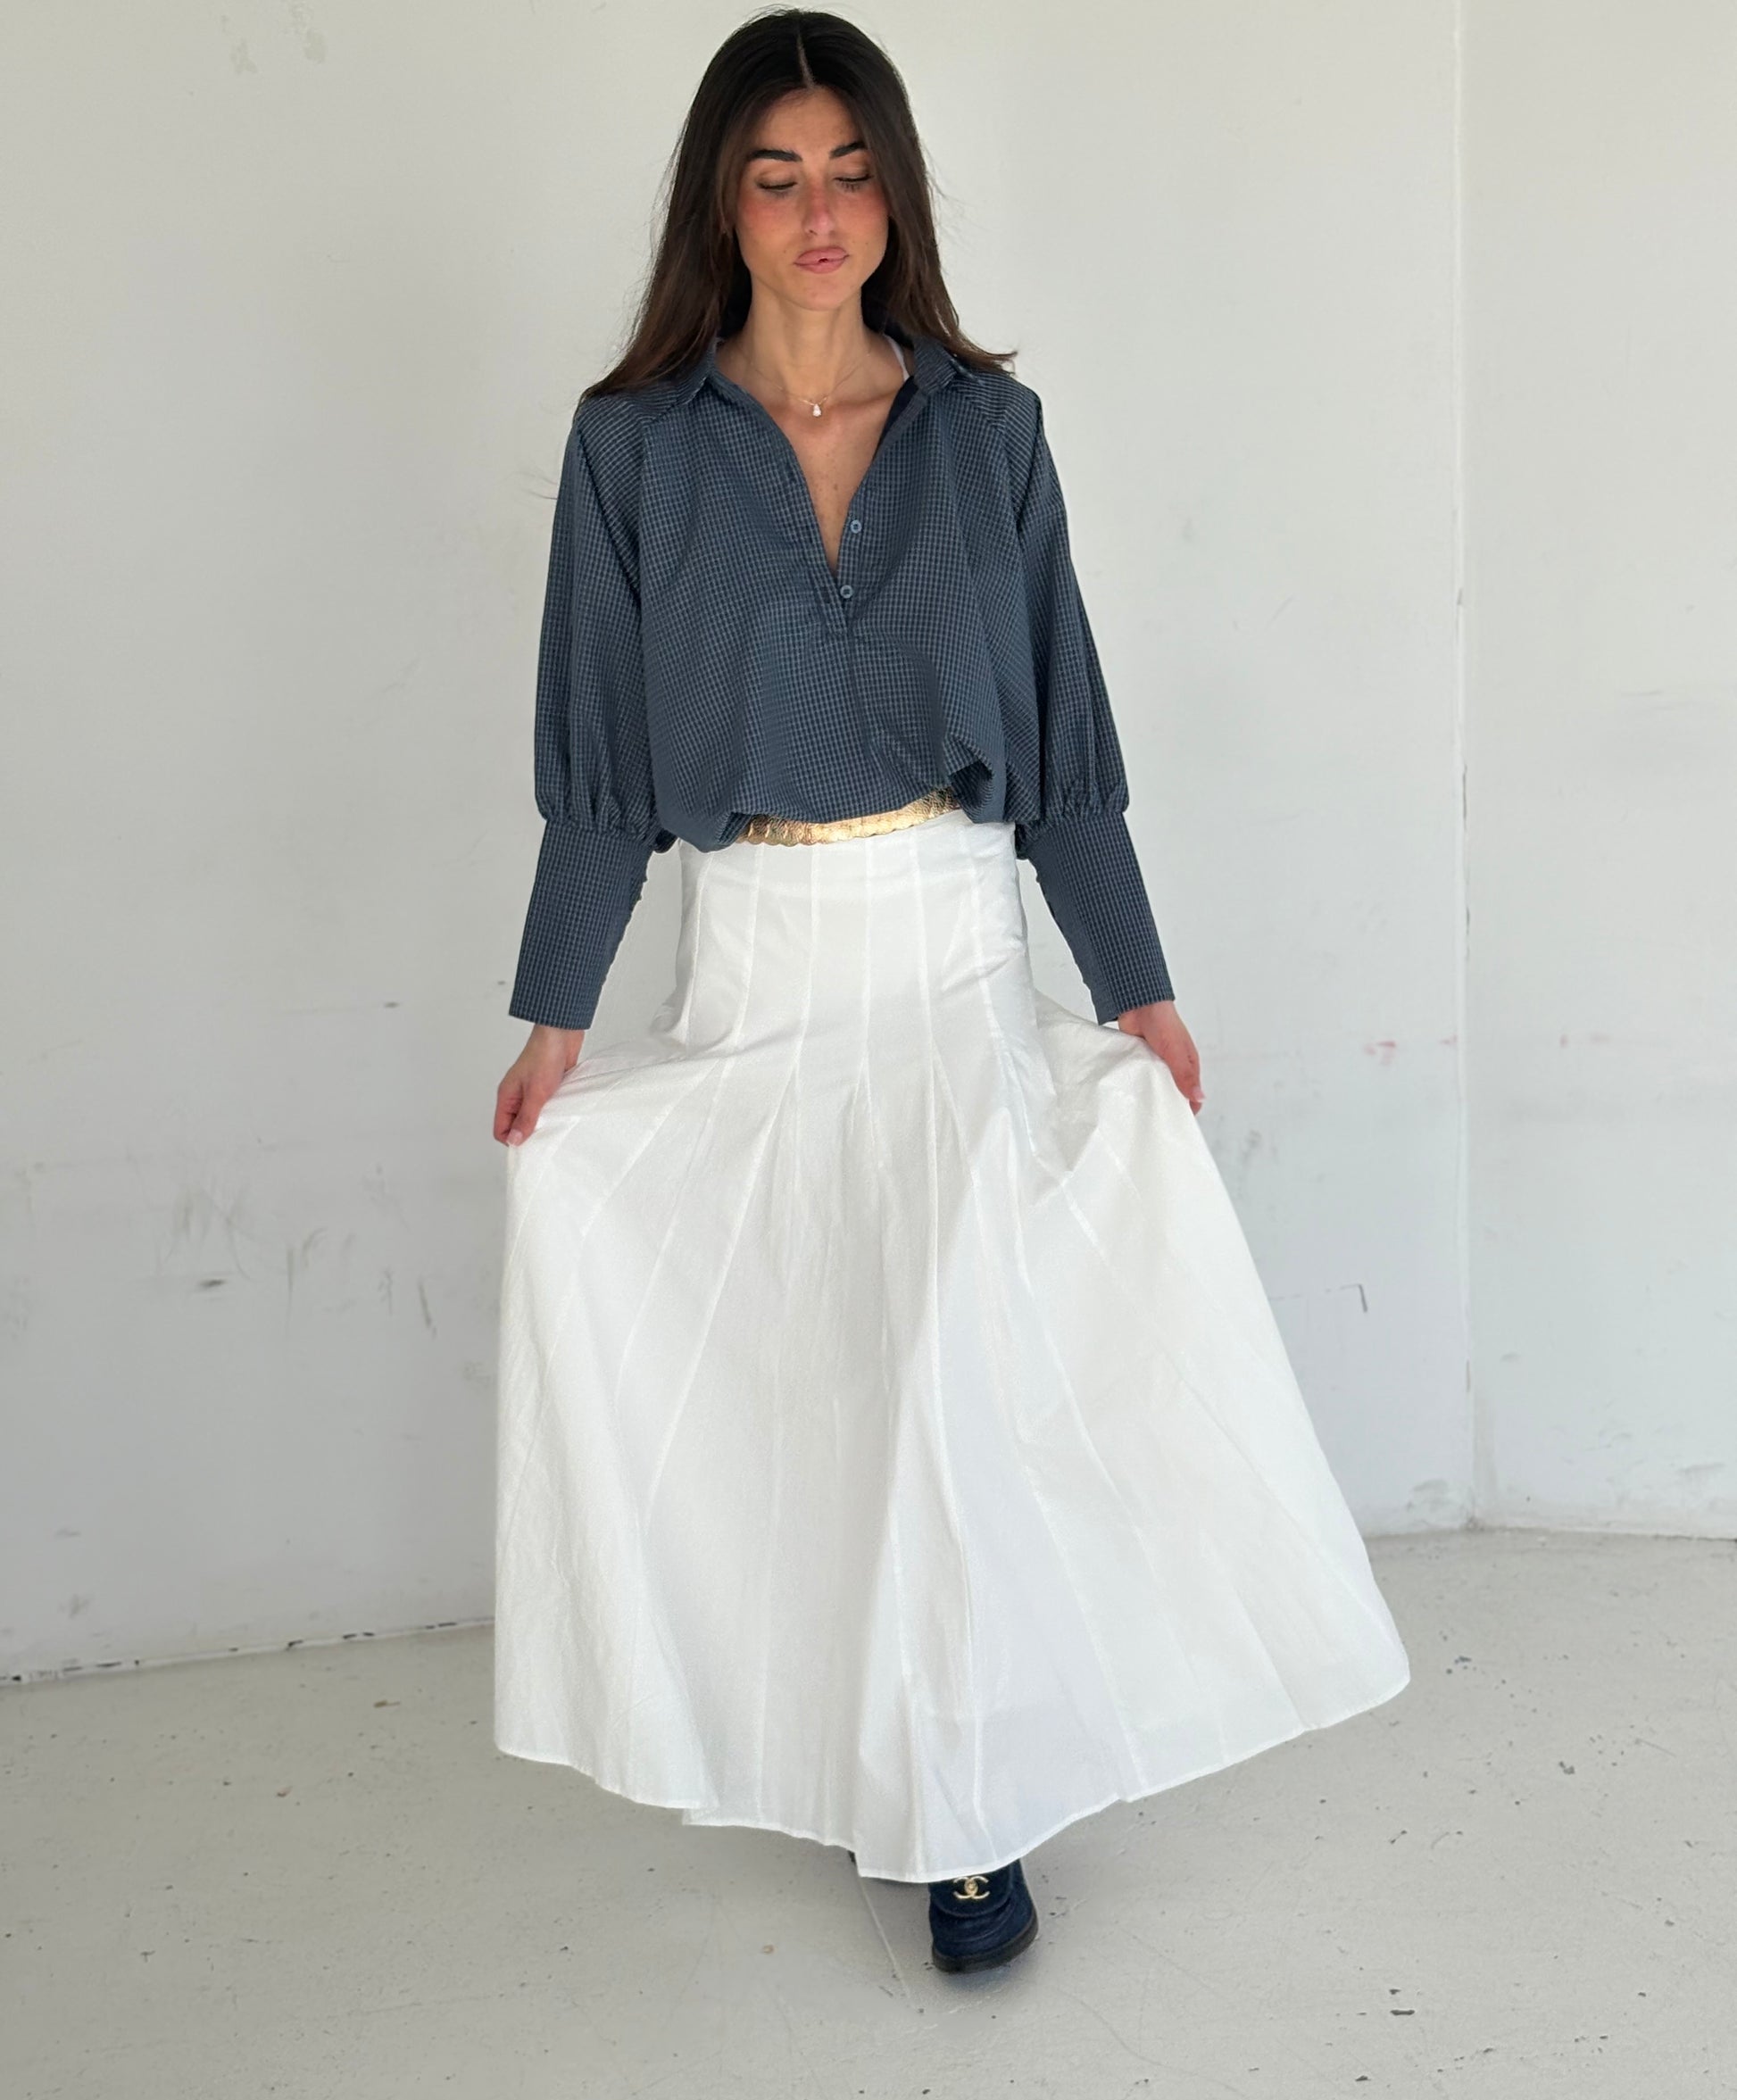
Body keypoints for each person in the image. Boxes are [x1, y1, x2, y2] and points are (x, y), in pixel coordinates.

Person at [490, 9, 1409, 1976]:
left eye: (850, 172)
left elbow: (1064, 737)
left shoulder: (988, 434)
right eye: (775, 178)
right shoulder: (632, 451)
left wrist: (1135, 985)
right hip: (756, 966)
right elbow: (602, 770)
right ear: (720, 208)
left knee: (948, 1389)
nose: (819, 214)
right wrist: (556, 1016)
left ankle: (969, 1817)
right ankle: (858, 1751)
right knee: (826, 1392)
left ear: (894, 194)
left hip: (953, 952)